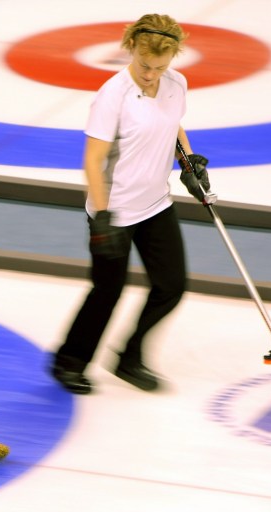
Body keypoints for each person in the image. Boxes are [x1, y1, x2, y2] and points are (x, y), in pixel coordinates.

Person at [50, 14, 211, 395]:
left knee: (171, 285)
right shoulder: (113, 95)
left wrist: (188, 163)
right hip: (115, 210)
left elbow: (172, 125)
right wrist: (103, 219)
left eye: (160, 66)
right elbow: (93, 160)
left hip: (156, 203)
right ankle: (69, 362)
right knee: (108, 290)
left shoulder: (176, 83)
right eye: (144, 65)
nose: (151, 74)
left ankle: (129, 357)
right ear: (131, 49)